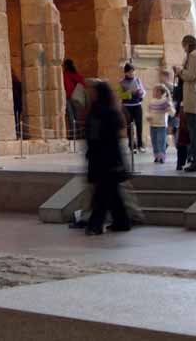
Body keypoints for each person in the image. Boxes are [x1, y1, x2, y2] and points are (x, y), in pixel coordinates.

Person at [85, 81, 131, 235]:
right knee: (112, 194)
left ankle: (95, 225)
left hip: (107, 159)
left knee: (102, 194)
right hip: (100, 158)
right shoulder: (96, 111)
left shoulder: (108, 113)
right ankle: (122, 221)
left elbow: (111, 140)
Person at [173, 35, 196, 172]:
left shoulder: (194, 55)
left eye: (184, 47)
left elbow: (190, 75)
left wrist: (179, 71)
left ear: (187, 44)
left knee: (194, 131)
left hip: (192, 94)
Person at [118, 63, 146, 153]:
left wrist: (140, 92)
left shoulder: (137, 80)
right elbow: (120, 95)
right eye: (130, 72)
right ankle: (132, 146)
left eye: (133, 72)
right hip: (127, 107)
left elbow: (143, 91)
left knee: (139, 125)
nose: (132, 74)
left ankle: (140, 145)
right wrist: (129, 93)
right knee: (130, 126)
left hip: (137, 105)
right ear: (126, 73)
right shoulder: (121, 82)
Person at [147, 85, 175, 163]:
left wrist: (169, 104)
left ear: (160, 93)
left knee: (161, 141)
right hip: (152, 125)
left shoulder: (164, 102)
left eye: (155, 91)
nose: (153, 93)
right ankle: (156, 156)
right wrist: (148, 117)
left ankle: (162, 157)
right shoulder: (151, 102)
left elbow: (172, 112)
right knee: (154, 142)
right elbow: (148, 111)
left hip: (161, 125)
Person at [63, 59, 86, 139]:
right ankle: (79, 133)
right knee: (76, 116)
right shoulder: (75, 73)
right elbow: (83, 82)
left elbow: (65, 85)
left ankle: (73, 134)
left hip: (67, 97)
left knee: (71, 116)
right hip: (75, 97)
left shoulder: (65, 74)